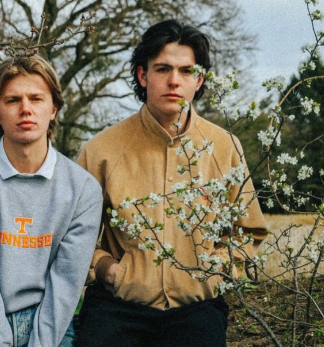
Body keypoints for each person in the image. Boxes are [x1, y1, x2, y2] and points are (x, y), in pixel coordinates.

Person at [75, 20, 269, 347]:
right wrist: (108, 270)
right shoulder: (100, 151)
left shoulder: (225, 147)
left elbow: (248, 231)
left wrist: (214, 273)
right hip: (116, 308)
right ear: (143, 75)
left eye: (186, 71)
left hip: (197, 310)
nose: (174, 81)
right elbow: (72, 237)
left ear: (200, 79)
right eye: (163, 69)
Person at [0, 55, 103, 347]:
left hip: (51, 327)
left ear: (53, 109)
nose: (26, 108)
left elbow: (65, 284)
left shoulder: (83, 189)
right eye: (13, 100)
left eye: (36, 99)